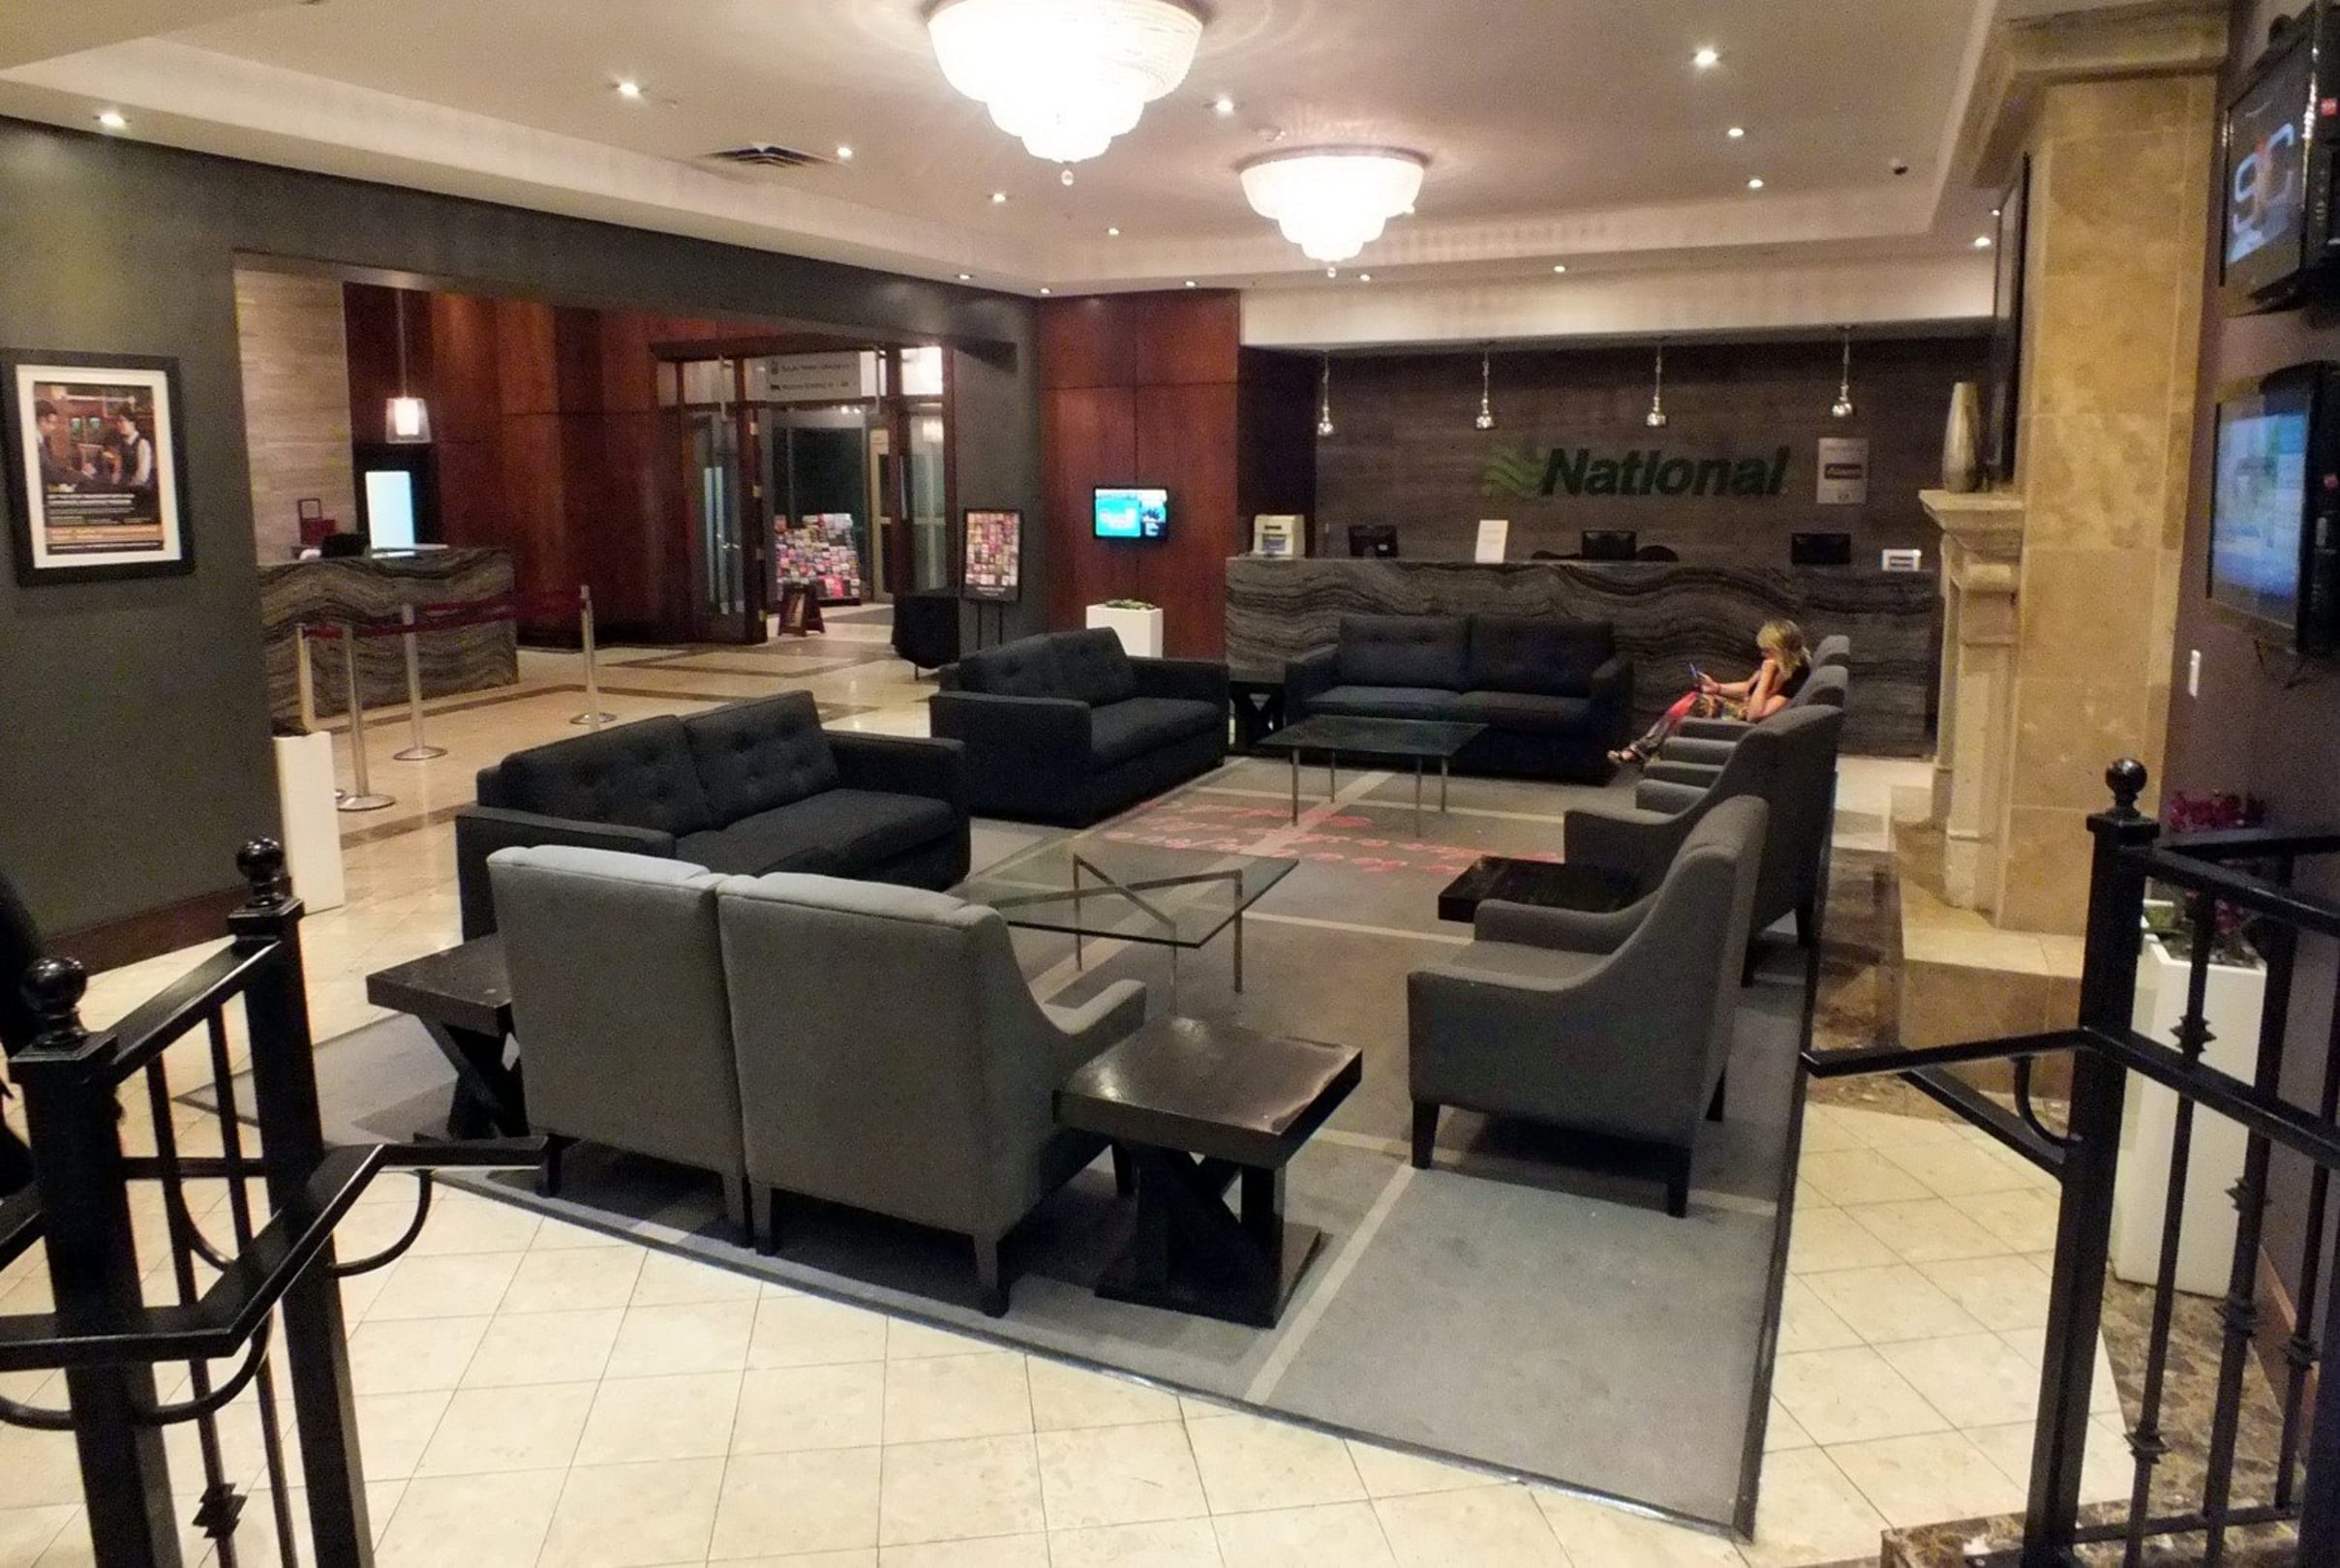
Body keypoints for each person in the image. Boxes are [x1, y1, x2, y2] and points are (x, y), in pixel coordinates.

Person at [1609, 618, 1810, 767]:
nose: (1762, 654)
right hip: (1740, 710)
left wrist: (1766, 675)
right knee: (1694, 700)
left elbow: (1755, 715)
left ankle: (1643, 753)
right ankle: (1649, 755)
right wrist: (1717, 687)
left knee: (1696, 702)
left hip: (1748, 725)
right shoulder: (1775, 664)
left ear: (1781, 649)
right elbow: (1748, 688)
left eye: (1767, 650)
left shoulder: (1796, 675)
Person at [31, 400, 86, 491]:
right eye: (52, 423)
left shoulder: (40, 440)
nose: (54, 428)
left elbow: (48, 468)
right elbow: (51, 474)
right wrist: (82, 475)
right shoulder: (34, 443)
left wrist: (68, 471)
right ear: (42, 420)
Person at [110, 407, 156, 491]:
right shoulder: (122, 445)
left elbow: (142, 475)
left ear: (132, 423)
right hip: (124, 489)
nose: (118, 424)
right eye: (117, 422)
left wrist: (128, 487)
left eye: (121, 421)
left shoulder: (142, 444)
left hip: (140, 491)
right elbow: (118, 471)